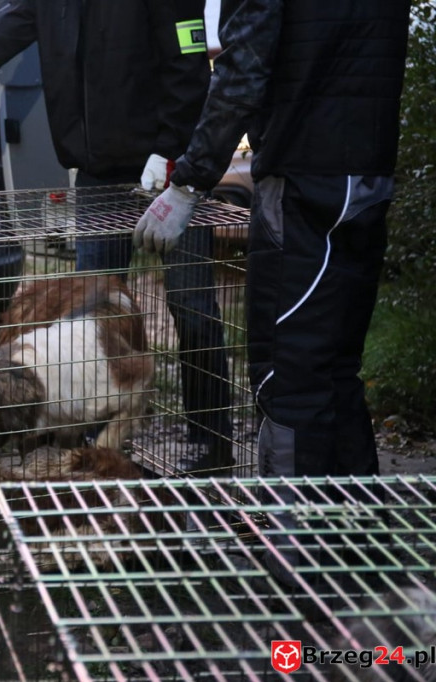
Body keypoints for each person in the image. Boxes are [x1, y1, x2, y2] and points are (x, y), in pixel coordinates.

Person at [0, 0, 234, 473]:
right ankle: (95, 446)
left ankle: (212, 446)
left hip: (173, 174)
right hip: (99, 176)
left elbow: (188, 62)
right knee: (88, 317)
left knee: (191, 305)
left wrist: (172, 154)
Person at [134, 0, 410, 579]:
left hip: (305, 174)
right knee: (335, 367)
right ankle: (363, 546)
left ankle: (290, 561)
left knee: (287, 375)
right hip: (367, 168)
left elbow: (245, 66)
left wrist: (190, 182)